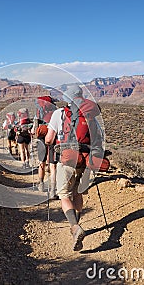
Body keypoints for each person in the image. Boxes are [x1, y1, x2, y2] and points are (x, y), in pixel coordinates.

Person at [45, 85, 96, 251]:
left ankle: (74, 227)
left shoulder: (58, 114)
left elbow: (49, 139)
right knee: (78, 193)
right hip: (85, 159)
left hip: (66, 158)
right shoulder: (89, 114)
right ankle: (77, 225)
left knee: (64, 195)